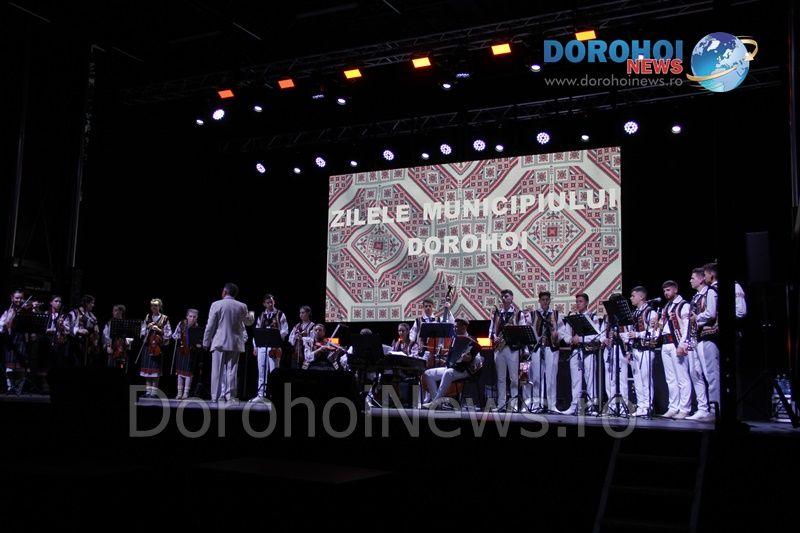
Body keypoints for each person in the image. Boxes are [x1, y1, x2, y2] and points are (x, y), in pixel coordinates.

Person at [202, 283, 255, 403]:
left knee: (217, 370)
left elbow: (210, 325)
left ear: (224, 292)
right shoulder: (242, 306)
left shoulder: (216, 304)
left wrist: (206, 342)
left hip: (219, 341)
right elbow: (248, 322)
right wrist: (252, 314)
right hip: (235, 342)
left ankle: (215, 396)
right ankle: (230, 396)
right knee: (232, 370)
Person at [558, 293, 603, 415]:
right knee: (575, 381)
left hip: (589, 351)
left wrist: (582, 339)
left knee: (590, 379)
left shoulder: (593, 317)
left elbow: (597, 335)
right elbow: (564, 334)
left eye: (581, 301)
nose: (578, 304)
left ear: (587, 302)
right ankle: (574, 406)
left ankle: (592, 407)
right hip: (575, 351)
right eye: (577, 301)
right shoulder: (572, 318)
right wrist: (571, 339)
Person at [421, 318, 481, 409]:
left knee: (448, 372)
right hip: (453, 368)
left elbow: (478, 358)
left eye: (457, 327)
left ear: (464, 327)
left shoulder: (472, 340)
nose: (454, 329)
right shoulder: (454, 339)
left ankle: (435, 402)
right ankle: (437, 404)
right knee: (428, 373)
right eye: (454, 327)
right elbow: (452, 356)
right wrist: (446, 360)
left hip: (465, 370)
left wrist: (469, 358)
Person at [619, 287, 657, 417]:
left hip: (646, 349)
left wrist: (637, 334)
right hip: (635, 350)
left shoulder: (650, 312)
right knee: (637, 380)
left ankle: (648, 406)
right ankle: (641, 406)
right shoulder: (634, 313)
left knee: (646, 379)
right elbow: (630, 333)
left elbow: (654, 332)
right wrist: (628, 348)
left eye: (633, 296)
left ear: (641, 297)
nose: (631, 298)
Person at [489, 289, 528, 411]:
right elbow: (491, 330)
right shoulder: (497, 314)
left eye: (506, 296)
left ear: (512, 298)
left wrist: (513, 330)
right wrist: (494, 337)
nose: (503, 298)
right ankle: (501, 404)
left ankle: (514, 405)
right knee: (500, 378)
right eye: (502, 296)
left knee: (514, 378)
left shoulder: (518, 314)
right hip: (499, 348)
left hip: (512, 349)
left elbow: (523, 330)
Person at [658, 280, 691, 419]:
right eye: (664, 291)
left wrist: (682, 344)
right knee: (670, 379)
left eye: (668, 290)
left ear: (675, 290)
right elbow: (661, 326)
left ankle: (684, 408)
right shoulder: (666, 307)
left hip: (676, 343)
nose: (666, 293)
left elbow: (687, 326)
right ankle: (673, 407)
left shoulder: (683, 305)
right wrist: (657, 325)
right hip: (665, 343)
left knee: (682, 378)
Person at [251, 294, 288, 400]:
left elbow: (285, 330)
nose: (270, 304)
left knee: (274, 371)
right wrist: (255, 346)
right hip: (262, 346)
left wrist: (277, 339)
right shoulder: (261, 315)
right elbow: (257, 331)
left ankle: (273, 395)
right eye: (268, 302)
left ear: (274, 302)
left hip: (274, 347)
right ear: (264, 304)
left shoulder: (280, 314)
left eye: (271, 301)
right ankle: (261, 394)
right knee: (261, 370)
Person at [139, 299, 172, 398]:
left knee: (155, 370)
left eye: (156, 306)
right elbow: (142, 331)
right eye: (152, 306)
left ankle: (154, 392)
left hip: (158, 346)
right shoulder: (148, 317)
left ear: (160, 307)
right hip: (148, 346)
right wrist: (147, 327)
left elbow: (168, 333)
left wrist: (159, 330)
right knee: (147, 370)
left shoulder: (164, 318)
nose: (154, 307)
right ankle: (148, 391)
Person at [171, 308, 202, 400]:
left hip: (191, 352)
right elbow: (174, 335)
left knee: (188, 373)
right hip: (181, 350)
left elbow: (198, 340)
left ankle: (186, 393)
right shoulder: (181, 324)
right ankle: (179, 393)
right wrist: (180, 337)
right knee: (179, 372)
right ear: (187, 316)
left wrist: (198, 344)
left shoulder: (196, 327)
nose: (192, 318)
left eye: (194, 317)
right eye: (190, 316)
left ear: (197, 318)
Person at [68, 295, 100, 367]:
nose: (93, 305)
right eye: (91, 303)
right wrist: (78, 330)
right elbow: (67, 326)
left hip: (86, 345)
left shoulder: (91, 315)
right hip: (75, 343)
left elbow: (95, 327)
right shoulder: (74, 313)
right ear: (86, 303)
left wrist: (96, 331)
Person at [102, 304, 130, 370]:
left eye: (117, 310)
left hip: (123, 350)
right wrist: (108, 346)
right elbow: (105, 335)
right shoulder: (109, 323)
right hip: (112, 349)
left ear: (121, 312)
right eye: (114, 311)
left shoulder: (126, 323)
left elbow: (129, 336)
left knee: (122, 367)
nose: (115, 312)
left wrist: (128, 342)